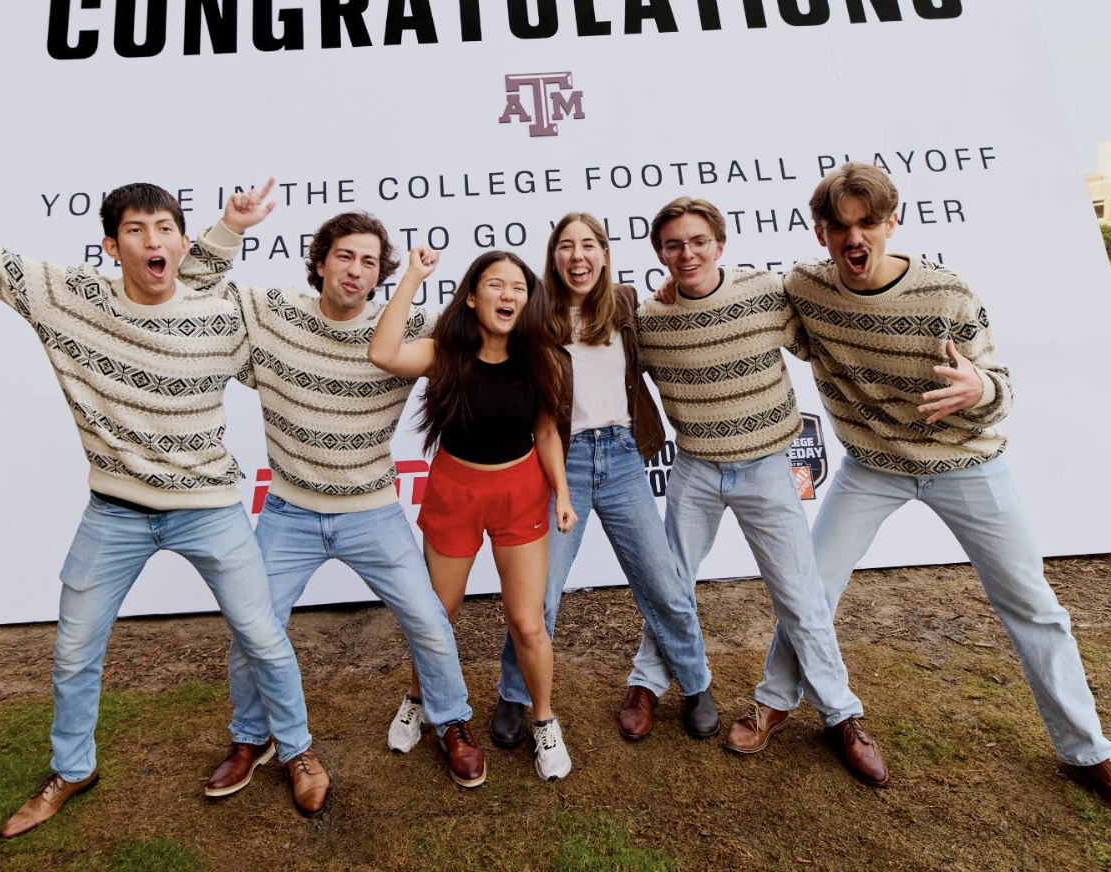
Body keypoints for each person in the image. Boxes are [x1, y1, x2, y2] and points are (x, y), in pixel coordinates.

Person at [0, 89, 331, 831]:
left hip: (211, 510)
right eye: (135, 230)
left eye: (166, 228)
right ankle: (72, 768)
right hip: (114, 513)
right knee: (72, 651)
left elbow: (295, 348)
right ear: (111, 247)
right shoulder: (67, 299)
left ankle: (298, 751)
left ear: (183, 243)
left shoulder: (221, 313)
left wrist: (230, 233)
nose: (153, 240)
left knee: (263, 638)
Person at [771, 162, 1111, 832]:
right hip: (872, 465)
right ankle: (776, 702)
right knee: (808, 590)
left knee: (1033, 607)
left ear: (892, 222)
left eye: (868, 223)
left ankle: (1089, 754)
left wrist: (979, 389)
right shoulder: (805, 288)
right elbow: (750, 315)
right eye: (840, 226)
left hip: (966, 464)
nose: (855, 238)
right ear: (821, 232)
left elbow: (1000, 389)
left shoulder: (948, 293)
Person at [182, 212, 486, 791]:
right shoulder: (272, 312)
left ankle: (450, 721)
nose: (355, 270)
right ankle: (252, 737)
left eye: (369, 262)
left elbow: (488, 331)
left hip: (372, 511)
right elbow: (191, 291)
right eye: (344, 256)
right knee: (252, 628)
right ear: (320, 262)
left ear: (380, 275)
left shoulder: (402, 325)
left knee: (428, 620)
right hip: (288, 513)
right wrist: (229, 227)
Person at [636, 197, 887, 786]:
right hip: (695, 467)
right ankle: (645, 684)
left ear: (720, 245)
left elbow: (828, 331)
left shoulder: (766, 293)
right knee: (670, 585)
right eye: (674, 245)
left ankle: (841, 715)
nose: (688, 254)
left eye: (699, 241)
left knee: (800, 594)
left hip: (767, 466)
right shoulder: (650, 319)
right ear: (661, 255)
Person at [488, 213, 719, 748]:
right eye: (566, 246)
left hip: (621, 459)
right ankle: (514, 695)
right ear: (553, 258)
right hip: (560, 462)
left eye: (589, 245)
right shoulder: (533, 315)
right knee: (539, 595)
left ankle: (696, 684)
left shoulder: (627, 304)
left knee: (664, 585)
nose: (578, 256)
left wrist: (671, 289)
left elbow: (680, 305)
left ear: (604, 254)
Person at [368, 248, 577, 780]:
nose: (508, 295)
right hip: (454, 491)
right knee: (437, 614)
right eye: (495, 285)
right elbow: (384, 353)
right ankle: (418, 699)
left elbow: (547, 432)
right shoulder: (444, 352)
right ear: (471, 296)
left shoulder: (542, 358)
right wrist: (413, 276)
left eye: (518, 287)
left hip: (520, 493)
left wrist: (562, 493)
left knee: (527, 621)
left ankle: (544, 720)